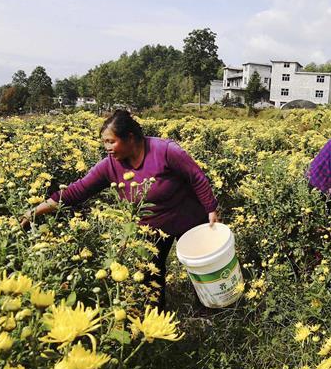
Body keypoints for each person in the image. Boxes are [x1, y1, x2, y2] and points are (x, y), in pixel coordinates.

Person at [23, 110, 219, 310]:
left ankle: (211, 307)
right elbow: (76, 191)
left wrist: (211, 208)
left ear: (130, 138)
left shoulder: (165, 151)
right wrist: (35, 211)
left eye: (111, 141)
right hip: (150, 227)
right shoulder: (109, 166)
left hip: (188, 216)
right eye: (104, 143)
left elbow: (196, 177)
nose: (107, 148)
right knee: (149, 273)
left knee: (201, 264)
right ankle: (155, 318)